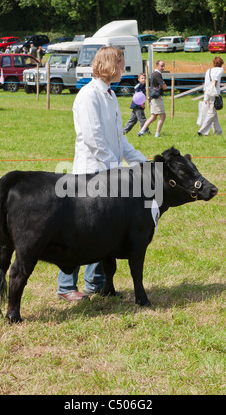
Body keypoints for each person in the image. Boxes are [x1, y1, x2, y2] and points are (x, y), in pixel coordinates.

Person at [57, 46, 148, 302]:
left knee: (102, 228)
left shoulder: (110, 94)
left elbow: (119, 139)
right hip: (91, 172)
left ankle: (95, 283)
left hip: (107, 172)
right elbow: (92, 137)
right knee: (80, 229)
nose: (123, 68)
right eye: (120, 63)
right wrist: (115, 168)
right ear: (109, 65)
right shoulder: (88, 95)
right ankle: (66, 286)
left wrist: (141, 162)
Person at [137, 60, 167, 138]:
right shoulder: (157, 74)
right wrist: (164, 87)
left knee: (153, 116)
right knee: (162, 116)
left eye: (164, 65)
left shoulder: (154, 73)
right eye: (161, 66)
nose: (163, 67)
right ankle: (157, 134)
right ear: (157, 66)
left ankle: (142, 131)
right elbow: (164, 86)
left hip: (153, 97)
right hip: (157, 98)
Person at [198, 56, 224, 136]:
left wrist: (205, 95)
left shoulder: (208, 71)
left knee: (213, 113)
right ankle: (202, 131)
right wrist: (214, 89)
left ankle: (218, 131)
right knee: (211, 113)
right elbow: (216, 79)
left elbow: (206, 84)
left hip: (208, 93)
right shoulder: (220, 70)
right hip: (214, 93)